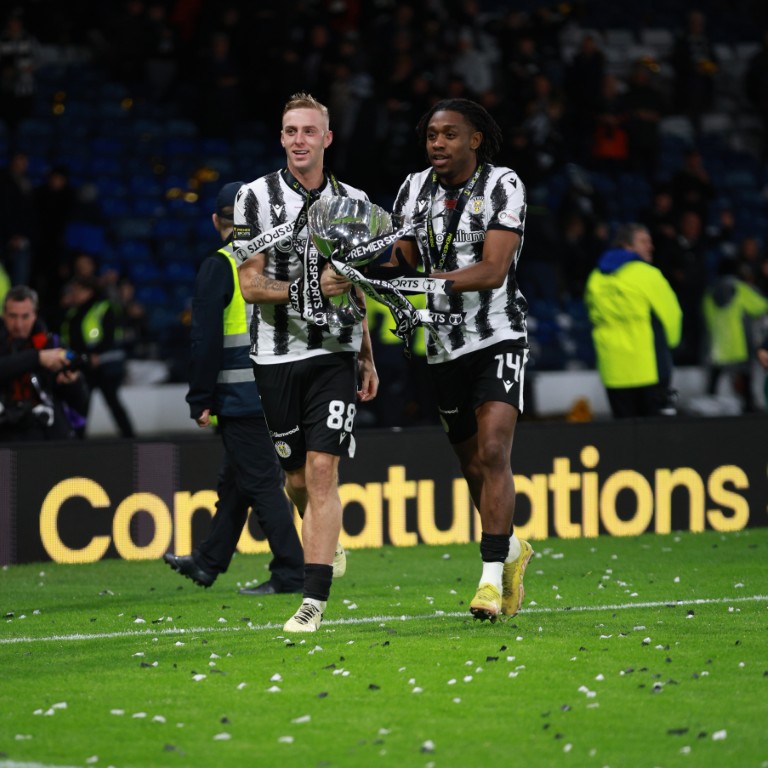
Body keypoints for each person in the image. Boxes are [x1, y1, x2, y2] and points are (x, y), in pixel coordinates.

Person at [384, 97, 534, 623]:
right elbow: (401, 258)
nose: (437, 144)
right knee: (471, 465)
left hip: (498, 336)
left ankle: (491, 581)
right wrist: (366, 260)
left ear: (474, 139)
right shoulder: (411, 189)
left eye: (449, 134)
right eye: (431, 136)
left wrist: (419, 281)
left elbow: (493, 269)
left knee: (494, 451)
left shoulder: (503, 184)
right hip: (443, 345)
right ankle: (512, 549)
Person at [235, 92, 378, 632]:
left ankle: (312, 601)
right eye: (290, 130)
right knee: (295, 478)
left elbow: (358, 285)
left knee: (323, 471)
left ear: (327, 138)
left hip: (334, 351)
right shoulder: (255, 198)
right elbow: (250, 286)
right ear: (282, 138)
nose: (299, 139)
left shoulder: (355, 201)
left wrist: (366, 355)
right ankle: (320, 534)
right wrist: (309, 288)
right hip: (274, 354)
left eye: (308, 131)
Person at [163, 181, 304, 594]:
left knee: (259, 481)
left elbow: (204, 340)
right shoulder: (279, 261)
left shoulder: (219, 264)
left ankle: (292, 571)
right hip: (282, 388)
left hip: (242, 395)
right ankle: (208, 562)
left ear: (215, 221)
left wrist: (200, 397)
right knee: (237, 480)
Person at [584, 223, 683, 418]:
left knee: (624, 435)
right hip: (649, 369)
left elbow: (592, 316)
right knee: (652, 436)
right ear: (627, 246)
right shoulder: (647, 274)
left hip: (613, 370)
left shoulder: (595, 277)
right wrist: (671, 344)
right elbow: (673, 316)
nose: (650, 246)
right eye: (644, 241)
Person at [0, 285, 88, 441]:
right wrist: (37, 358)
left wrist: (72, 382)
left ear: (35, 314)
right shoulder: (41, 352)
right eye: (12, 316)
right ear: (3, 315)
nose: (18, 325)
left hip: (44, 431)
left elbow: (81, 404)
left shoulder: (52, 344)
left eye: (25, 316)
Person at [59, 275, 136, 438]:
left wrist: (96, 354)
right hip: (82, 364)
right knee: (82, 403)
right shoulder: (72, 312)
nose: (74, 294)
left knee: (111, 401)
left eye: (77, 291)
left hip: (103, 365)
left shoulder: (103, 308)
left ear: (89, 291)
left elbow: (110, 336)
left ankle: (129, 436)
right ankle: (77, 437)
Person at [702, 257, 768, 413]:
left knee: (713, 383)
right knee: (746, 383)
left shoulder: (709, 294)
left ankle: (708, 413)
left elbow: (706, 320)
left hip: (717, 347)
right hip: (740, 346)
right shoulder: (740, 289)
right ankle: (749, 412)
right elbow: (760, 306)